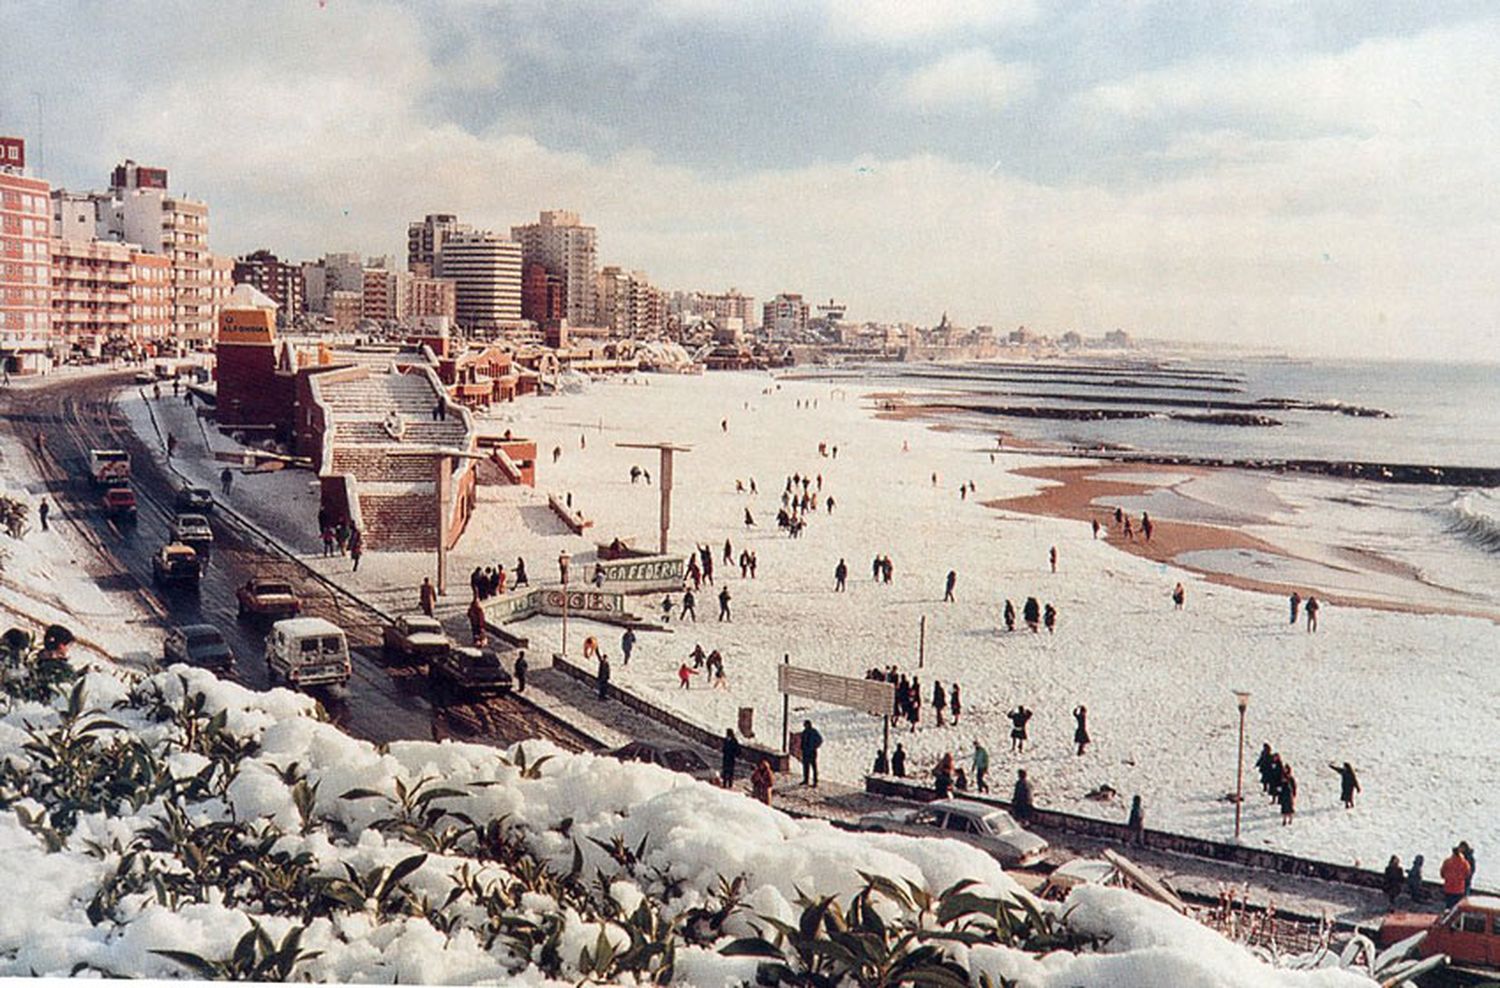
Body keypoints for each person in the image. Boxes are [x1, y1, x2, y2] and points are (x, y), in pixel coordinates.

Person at [800, 719, 823, 786]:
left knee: (814, 767)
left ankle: (815, 781)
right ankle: (805, 780)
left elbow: (820, 740)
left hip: (812, 752)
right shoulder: (804, 732)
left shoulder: (814, 732)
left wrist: (814, 746)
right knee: (805, 767)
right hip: (805, 752)